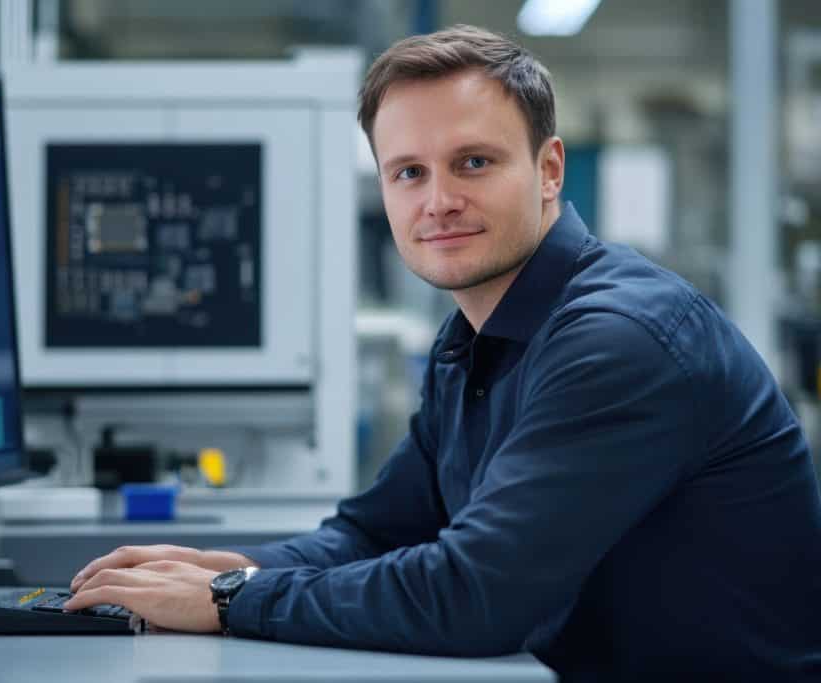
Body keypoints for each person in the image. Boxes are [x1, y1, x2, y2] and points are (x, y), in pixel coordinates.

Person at [65, 24, 821, 680]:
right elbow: (375, 530)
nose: (437, 201)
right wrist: (231, 568)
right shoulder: (475, 339)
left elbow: (475, 597)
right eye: (409, 172)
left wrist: (230, 601)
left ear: (549, 169)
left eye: (473, 163)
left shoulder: (618, 340)